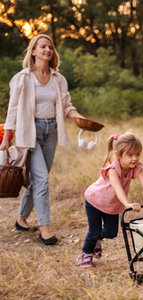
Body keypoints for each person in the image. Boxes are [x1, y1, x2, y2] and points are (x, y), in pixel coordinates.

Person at [0, 34, 85, 245]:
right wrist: (6, 138)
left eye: (50, 47)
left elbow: (66, 106)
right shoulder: (22, 78)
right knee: (43, 180)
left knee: (38, 178)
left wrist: (78, 118)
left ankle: (21, 219)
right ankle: (45, 228)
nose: (48, 49)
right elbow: (13, 110)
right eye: (43, 46)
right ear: (34, 51)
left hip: (51, 131)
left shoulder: (58, 79)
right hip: (29, 132)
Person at [76, 133, 143, 267]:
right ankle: (86, 254)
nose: (135, 158)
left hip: (111, 206)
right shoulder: (113, 169)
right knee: (94, 231)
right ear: (118, 155)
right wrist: (127, 203)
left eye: (138, 154)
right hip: (95, 202)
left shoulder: (135, 167)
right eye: (130, 155)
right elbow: (117, 187)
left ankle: (98, 239)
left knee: (111, 232)